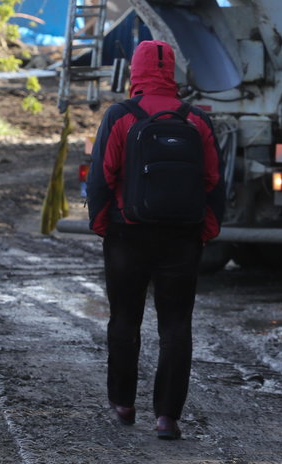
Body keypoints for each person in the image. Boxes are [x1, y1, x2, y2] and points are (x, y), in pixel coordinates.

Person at [86, 39, 224, 439]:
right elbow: (214, 181)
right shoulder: (196, 120)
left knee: (124, 319)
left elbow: (101, 177)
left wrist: (103, 226)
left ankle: (123, 404)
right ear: (172, 73)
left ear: (136, 72)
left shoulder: (120, 116)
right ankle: (167, 417)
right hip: (181, 238)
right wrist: (205, 231)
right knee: (177, 326)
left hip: (127, 234)